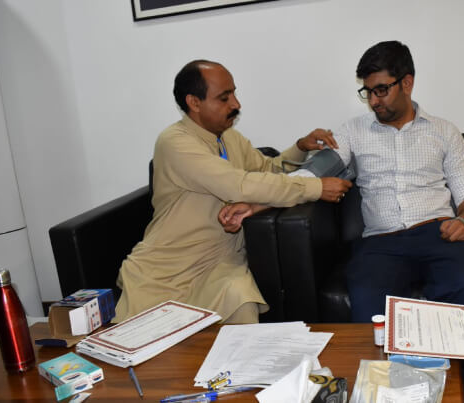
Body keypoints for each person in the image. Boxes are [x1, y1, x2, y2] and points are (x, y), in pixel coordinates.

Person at [221, 41, 464, 324]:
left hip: (440, 234)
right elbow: (310, 175)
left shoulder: (444, 131)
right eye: (368, 92)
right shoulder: (352, 132)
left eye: (381, 90)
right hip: (381, 243)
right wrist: (255, 205)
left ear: (407, 83)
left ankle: (447, 355)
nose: (373, 101)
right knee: (369, 304)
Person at [113, 60, 352, 324]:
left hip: (221, 265)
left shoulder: (229, 137)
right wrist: (315, 187)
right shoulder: (174, 142)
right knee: (154, 349)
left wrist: (300, 147)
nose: (236, 104)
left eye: (234, 94)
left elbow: (268, 170)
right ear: (194, 102)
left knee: (242, 299)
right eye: (224, 98)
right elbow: (239, 186)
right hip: (168, 270)